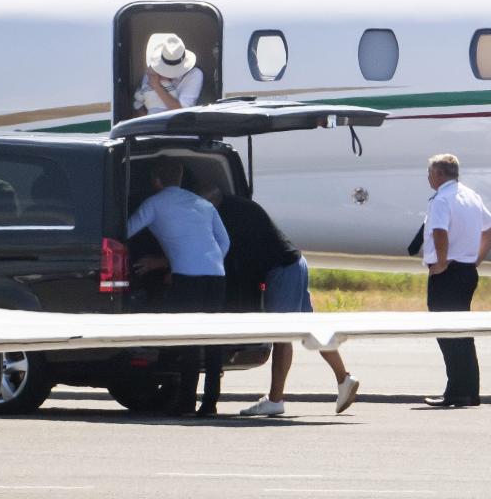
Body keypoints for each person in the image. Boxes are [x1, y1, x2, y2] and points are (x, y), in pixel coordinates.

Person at [194, 186, 359, 417]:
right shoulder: (239, 205)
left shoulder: (226, 215)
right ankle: (344, 378)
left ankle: (275, 399)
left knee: (282, 336)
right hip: (295, 262)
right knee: (310, 330)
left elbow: (230, 255)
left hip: (282, 270)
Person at [126, 158, 229, 416]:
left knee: (190, 340)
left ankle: (186, 403)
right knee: (214, 340)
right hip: (216, 275)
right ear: (181, 178)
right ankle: (211, 403)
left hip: (187, 277)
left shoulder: (154, 203)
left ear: (155, 181)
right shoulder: (204, 205)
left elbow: (125, 231)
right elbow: (224, 242)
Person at [419, 154, 491, 407]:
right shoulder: (470, 195)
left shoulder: (442, 198)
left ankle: (456, 391)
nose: (429, 177)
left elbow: (440, 231)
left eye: (430, 172)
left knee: (448, 333)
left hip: (447, 273)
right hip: (466, 270)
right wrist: (477, 258)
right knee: (462, 333)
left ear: (440, 174)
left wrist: (440, 262)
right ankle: (468, 390)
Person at [133, 34, 204, 116]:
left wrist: (156, 86)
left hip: (178, 125)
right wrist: (146, 122)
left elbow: (182, 111)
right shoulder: (152, 70)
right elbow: (139, 103)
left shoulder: (195, 74)